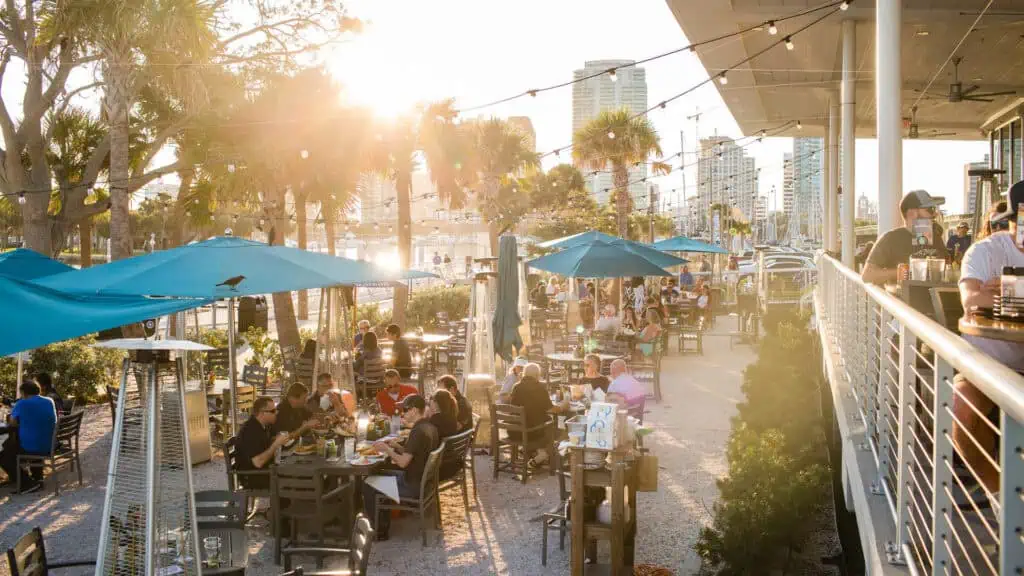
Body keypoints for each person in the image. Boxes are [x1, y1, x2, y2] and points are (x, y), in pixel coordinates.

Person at [955, 181, 1024, 494]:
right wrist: (1006, 296)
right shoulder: (986, 250)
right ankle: (998, 495)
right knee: (962, 408)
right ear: (1012, 219)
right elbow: (970, 299)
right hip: (991, 360)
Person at [365, 394, 439, 540]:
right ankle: (382, 525)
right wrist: (396, 446)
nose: (402, 413)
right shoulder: (429, 426)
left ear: (415, 411)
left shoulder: (417, 431)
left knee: (368, 483)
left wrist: (387, 450)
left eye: (405, 410)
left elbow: (403, 462)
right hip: (423, 481)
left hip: (412, 486)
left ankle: (379, 532)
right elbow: (415, 454)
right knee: (380, 473)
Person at [862, 189, 950, 285]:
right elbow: (867, 275)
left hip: (933, 297)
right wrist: (902, 272)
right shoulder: (890, 238)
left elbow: (948, 266)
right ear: (912, 213)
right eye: (930, 209)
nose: (935, 214)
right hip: (902, 298)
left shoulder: (934, 237)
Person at [0, 381, 57, 492]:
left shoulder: (22, 403)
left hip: (33, 448)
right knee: (9, 445)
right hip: (49, 445)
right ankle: (37, 478)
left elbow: (12, 423)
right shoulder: (49, 401)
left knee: (3, 455)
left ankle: (27, 483)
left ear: (24, 393)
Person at [508, 363, 553, 466]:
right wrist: (564, 406)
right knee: (550, 423)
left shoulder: (516, 387)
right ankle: (542, 452)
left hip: (513, 431)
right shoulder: (540, 388)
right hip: (529, 434)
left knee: (538, 420)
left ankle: (534, 453)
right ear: (537, 375)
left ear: (524, 374)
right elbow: (551, 408)